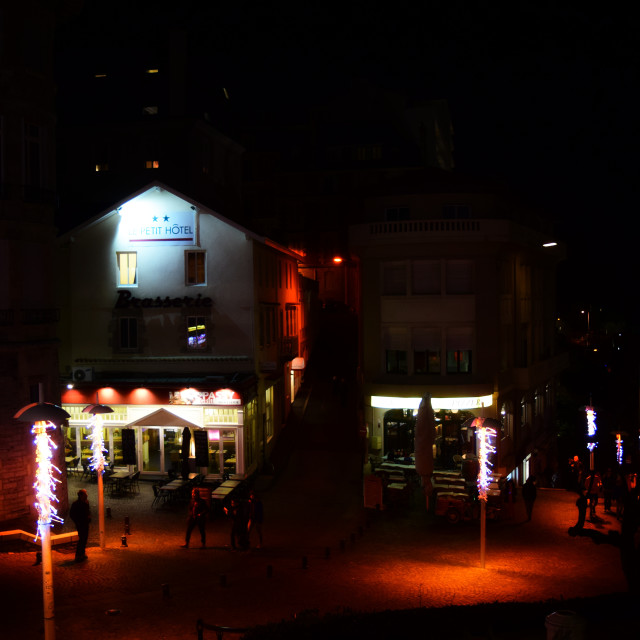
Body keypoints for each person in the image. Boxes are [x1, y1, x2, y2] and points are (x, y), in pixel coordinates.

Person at [69, 488, 91, 562]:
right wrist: (77, 522)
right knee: (81, 539)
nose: (87, 495)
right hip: (80, 524)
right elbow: (72, 514)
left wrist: (89, 517)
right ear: (81, 495)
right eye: (85, 494)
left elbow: (88, 511)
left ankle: (82, 553)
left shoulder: (86, 502)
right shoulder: (76, 504)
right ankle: (78, 555)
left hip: (85, 523)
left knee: (85, 539)